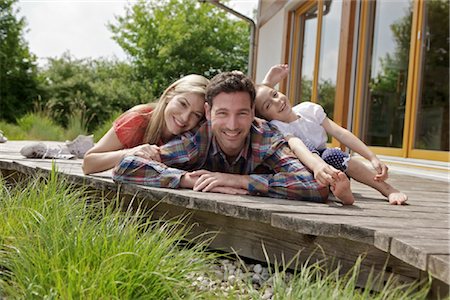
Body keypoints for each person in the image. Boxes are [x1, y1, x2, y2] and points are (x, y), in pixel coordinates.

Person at [113, 71, 329, 202]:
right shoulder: (198, 138)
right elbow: (126, 166)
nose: (232, 126)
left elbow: (316, 186)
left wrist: (239, 181)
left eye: (242, 113)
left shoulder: (266, 138)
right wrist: (187, 180)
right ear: (208, 113)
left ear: (253, 112)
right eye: (222, 113)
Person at [255, 64, 408, 205]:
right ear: (266, 117)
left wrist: (372, 157)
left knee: (332, 154)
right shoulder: (277, 126)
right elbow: (297, 146)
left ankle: (386, 189)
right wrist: (317, 166)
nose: (277, 102)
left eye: (275, 94)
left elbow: (340, 133)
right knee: (305, 146)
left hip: (335, 168)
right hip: (307, 170)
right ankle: (341, 193)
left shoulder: (308, 110)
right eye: (269, 105)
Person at [82, 74, 209, 175]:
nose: (185, 117)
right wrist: (129, 153)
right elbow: (88, 164)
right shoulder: (138, 119)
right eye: (182, 104)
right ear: (170, 94)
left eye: (196, 114)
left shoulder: (194, 138)